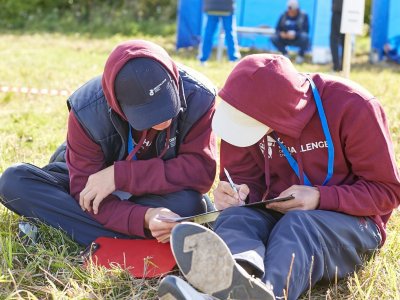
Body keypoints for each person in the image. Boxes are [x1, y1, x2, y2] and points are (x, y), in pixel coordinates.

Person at [157, 54, 400, 299]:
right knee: (236, 217)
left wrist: (320, 197)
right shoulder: (242, 109)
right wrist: (236, 193)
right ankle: (237, 275)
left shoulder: (354, 105)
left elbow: (387, 191)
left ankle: (269, 292)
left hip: (354, 224)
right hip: (277, 214)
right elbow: (243, 177)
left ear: (281, 115)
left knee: (298, 225)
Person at [0, 40, 218, 246]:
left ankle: (67, 225)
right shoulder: (86, 111)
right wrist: (145, 217)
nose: (163, 118)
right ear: (116, 105)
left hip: (156, 189)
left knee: (189, 205)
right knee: (14, 181)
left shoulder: (199, 97)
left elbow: (201, 172)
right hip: (92, 180)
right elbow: (86, 196)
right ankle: (138, 236)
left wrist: (119, 175)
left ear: (173, 79)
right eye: (147, 113)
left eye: (167, 103)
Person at [199, 0, 241, 64]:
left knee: (208, 34)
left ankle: (203, 59)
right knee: (230, 34)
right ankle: (234, 59)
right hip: (227, 8)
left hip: (212, 7)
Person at [271, 0, 310, 64]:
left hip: (298, 38)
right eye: (289, 10)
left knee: (305, 37)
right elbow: (277, 29)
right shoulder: (283, 15)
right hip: (285, 38)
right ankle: (285, 54)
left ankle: (300, 56)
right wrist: (281, 33)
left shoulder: (303, 15)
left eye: (293, 10)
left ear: (297, 9)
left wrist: (296, 35)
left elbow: (306, 30)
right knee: (274, 37)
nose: (291, 12)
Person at [330, 0, 344, 72]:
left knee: (334, 40)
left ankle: (337, 66)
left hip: (339, 11)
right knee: (344, 41)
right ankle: (341, 66)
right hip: (347, 11)